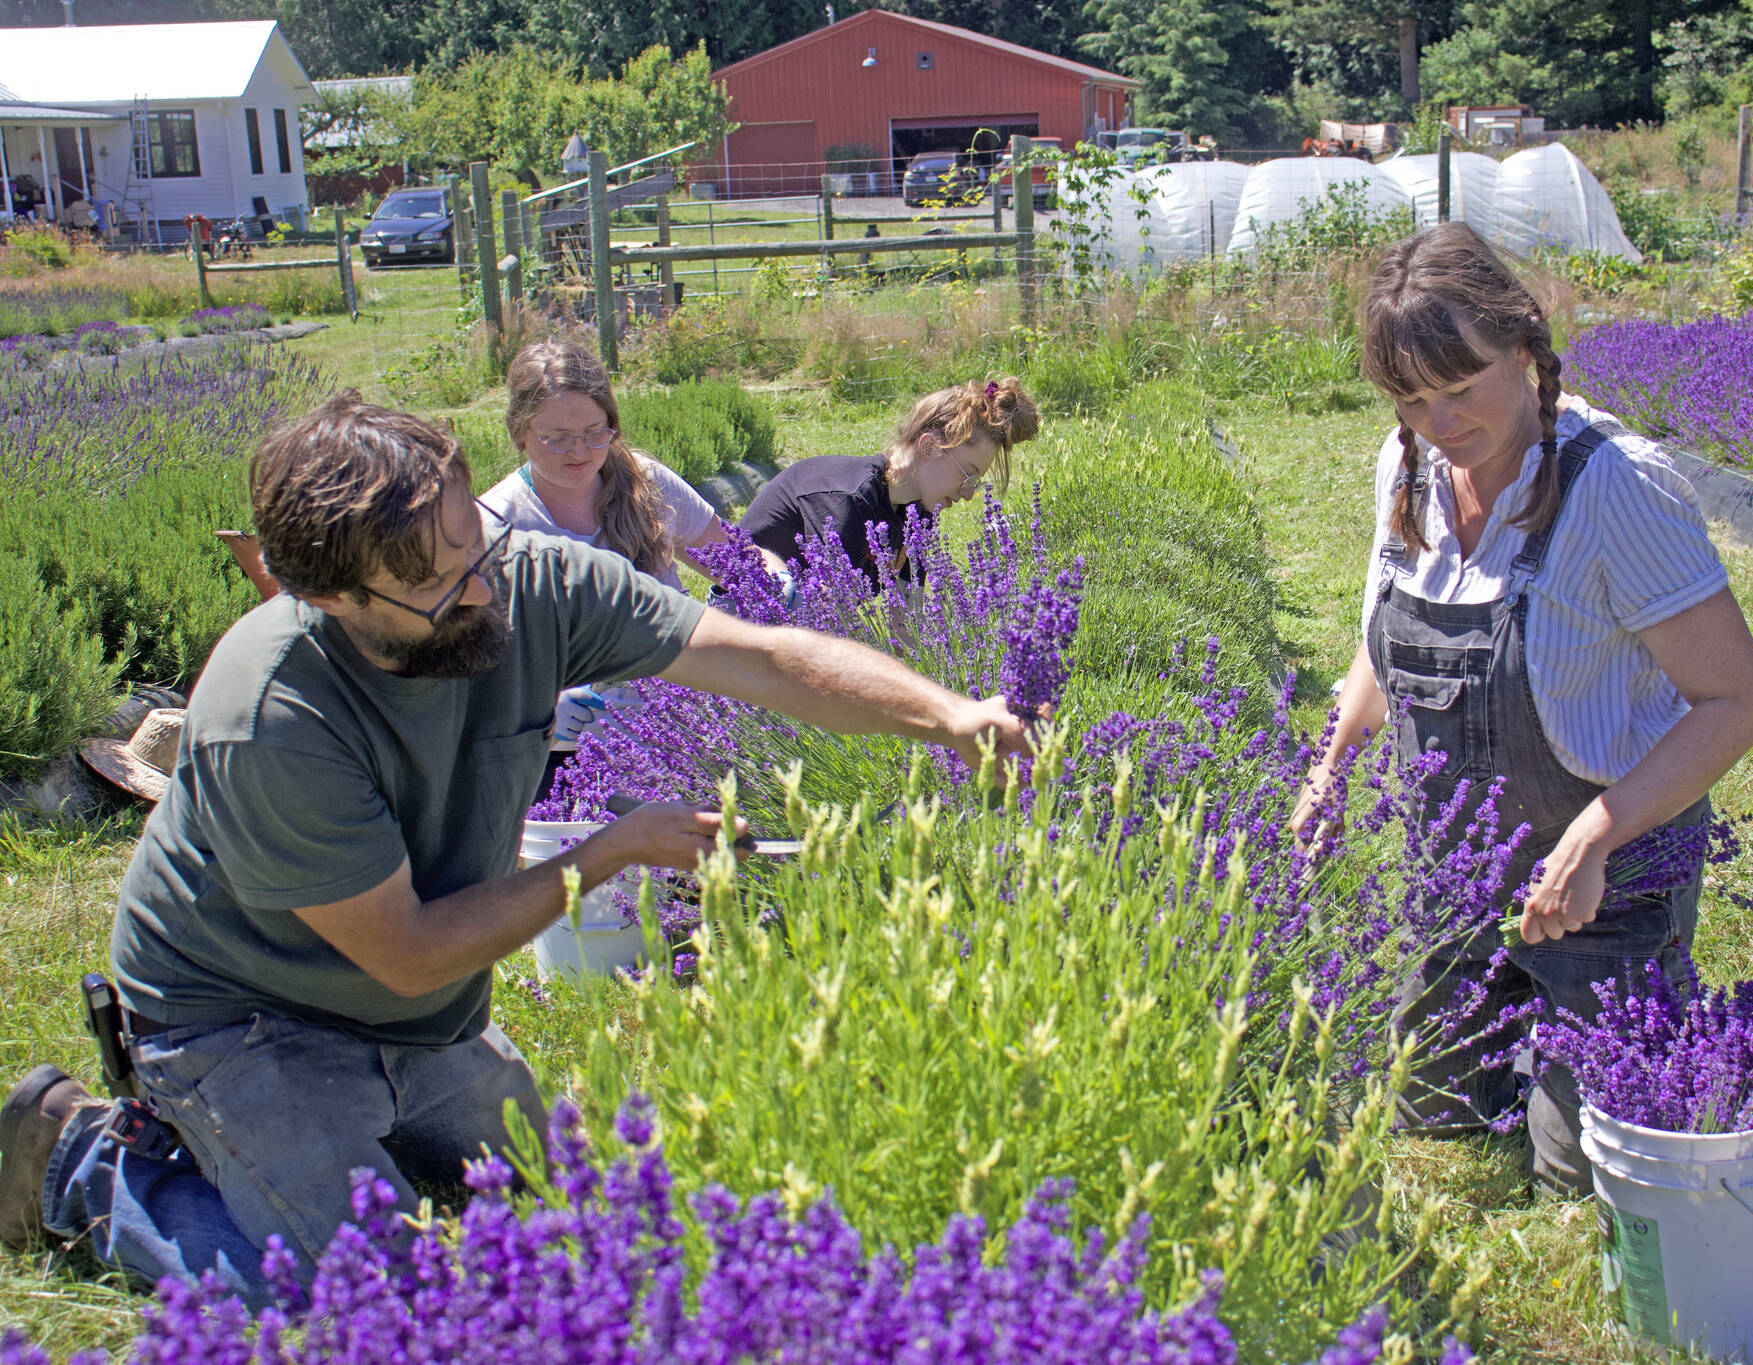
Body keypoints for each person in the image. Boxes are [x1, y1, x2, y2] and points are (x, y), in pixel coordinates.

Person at [0, 393, 1030, 1303]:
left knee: (562, 1203)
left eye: (475, 550)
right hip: (246, 1016)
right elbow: (403, 949)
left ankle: (346, 1134)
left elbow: (763, 657)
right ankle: (87, 1162)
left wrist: (946, 715)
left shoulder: (518, 580)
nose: (486, 593)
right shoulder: (275, 714)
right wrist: (610, 851)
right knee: (371, 1299)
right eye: (438, 585)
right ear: (327, 599)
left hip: (419, 1017)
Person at [1289, 223, 1753, 1195]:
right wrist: (1329, 772)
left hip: (1606, 880)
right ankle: (1523, 1030)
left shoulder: (1612, 489)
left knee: (1574, 1172)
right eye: (1410, 398)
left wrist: (1596, 837)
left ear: (1523, 349)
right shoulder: (1409, 467)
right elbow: (1386, 642)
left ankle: (1615, 1019)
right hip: (1458, 869)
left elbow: (1737, 704)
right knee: (1433, 1112)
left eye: (1460, 387)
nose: (1439, 421)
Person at [479, 339, 730, 788]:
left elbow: (736, 558)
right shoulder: (495, 524)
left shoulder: (645, 482)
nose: (580, 451)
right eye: (556, 438)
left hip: (683, 723)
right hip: (567, 759)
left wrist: (773, 581)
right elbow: (466, 672)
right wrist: (541, 707)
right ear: (520, 433)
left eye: (596, 431)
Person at [738, 377, 1039, 593]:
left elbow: (909, 615)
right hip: (742, 628)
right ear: (930, 447)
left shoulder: (917, 512)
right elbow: (826, 626)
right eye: (968, 474)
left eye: (977, 483)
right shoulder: (849, 502)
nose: (970, 493)